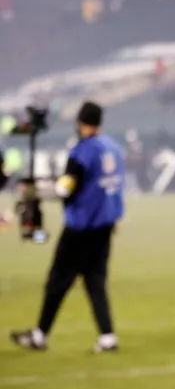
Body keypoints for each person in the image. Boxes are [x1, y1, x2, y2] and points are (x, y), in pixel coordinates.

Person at [10, 101, 125, 353]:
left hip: (81, 228)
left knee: (56, 282)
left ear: (81, 123)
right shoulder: (114, 148)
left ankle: (40, 335)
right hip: (105, 226)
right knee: (95, 282)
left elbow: (65, 188)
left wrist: (36, 190)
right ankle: (107, 336)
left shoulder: (82, 152)